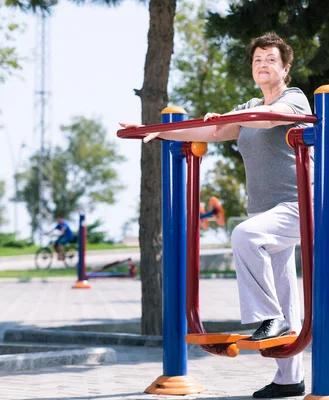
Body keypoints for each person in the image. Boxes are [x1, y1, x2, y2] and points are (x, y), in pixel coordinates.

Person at [120, 32, 310, 399]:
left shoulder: (293, 99)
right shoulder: (248, 106)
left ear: (285, 68)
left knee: (244, 236)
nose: (263, 65)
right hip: (266, 212)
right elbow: (213, 129)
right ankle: (290, 380)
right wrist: (157, 132)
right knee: (286, 291)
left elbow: (271, 121)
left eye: (270, 59)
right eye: (257, 60)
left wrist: (234, 116)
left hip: (299, 207)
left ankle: (268, 320)